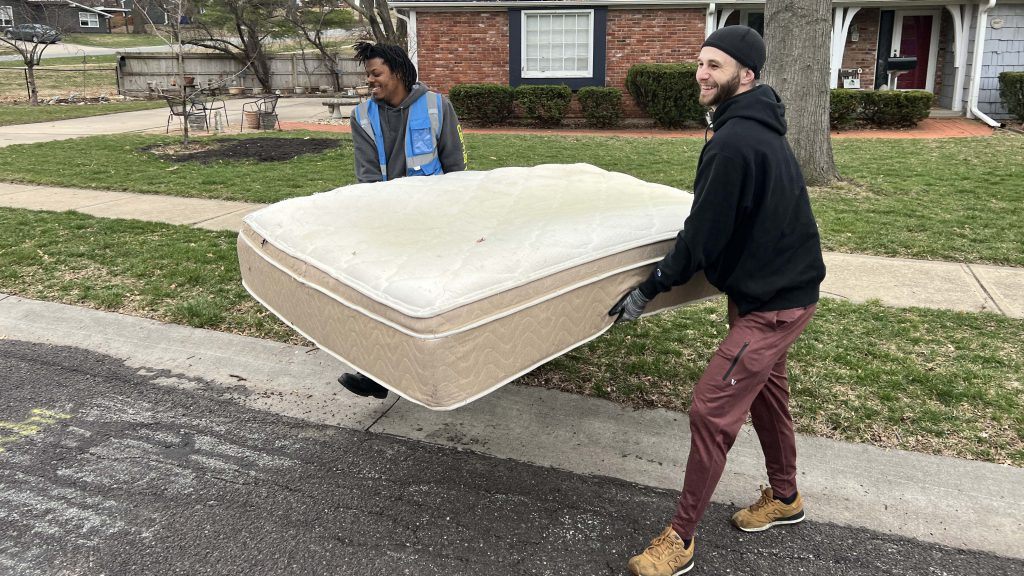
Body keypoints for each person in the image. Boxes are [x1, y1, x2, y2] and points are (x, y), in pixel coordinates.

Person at [608, 26, 826, 576]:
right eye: (700, 63)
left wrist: (651, 285)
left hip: (772, 305)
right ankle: (785, 497)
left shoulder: (733, 142)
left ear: (745, 76)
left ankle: (679, 540)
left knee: (712, 408)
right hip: (778, 292)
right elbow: (723, 222)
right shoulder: (752, 128)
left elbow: (701, 236)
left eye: (716, 66)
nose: (702, 74)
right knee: (766, 397)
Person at [338, 41, 468, 399]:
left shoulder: (437, 106)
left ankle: (444, 366)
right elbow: (366, 176)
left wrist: (461, 215)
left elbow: (455, 166)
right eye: (367, 75)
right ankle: (375, 373)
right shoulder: (362, 116)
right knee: (380, 295)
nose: (370, 81)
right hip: (389, 223)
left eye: (375, 73)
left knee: (432, 296)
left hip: (435, 223)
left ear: (397, 72)